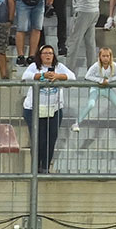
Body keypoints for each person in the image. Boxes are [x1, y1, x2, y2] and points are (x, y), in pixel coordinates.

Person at [22, 45, 74, 173]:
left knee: (51, 138)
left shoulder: (59, 67)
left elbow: (72, 76)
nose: (48, 55)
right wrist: (42, 75)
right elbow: (25, 76)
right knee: (38, 139)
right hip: (34, 108)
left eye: (50, 53)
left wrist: (58, 76)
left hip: (54, 108)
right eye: (45, 53)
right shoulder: (34, 67)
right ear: (40, 55)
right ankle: (35, 167)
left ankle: (45, 167)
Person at [71, 46, 116, 132]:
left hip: (107, 88)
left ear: (110, 57)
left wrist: (108, 81)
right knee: (90, 105)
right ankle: (77, 123)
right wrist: (100, 80)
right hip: (96, 88)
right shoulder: (96, 65)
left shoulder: (114, 65)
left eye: (107, 56)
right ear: (100, 56)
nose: (105, 58)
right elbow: (87, 76)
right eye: (103, 56)